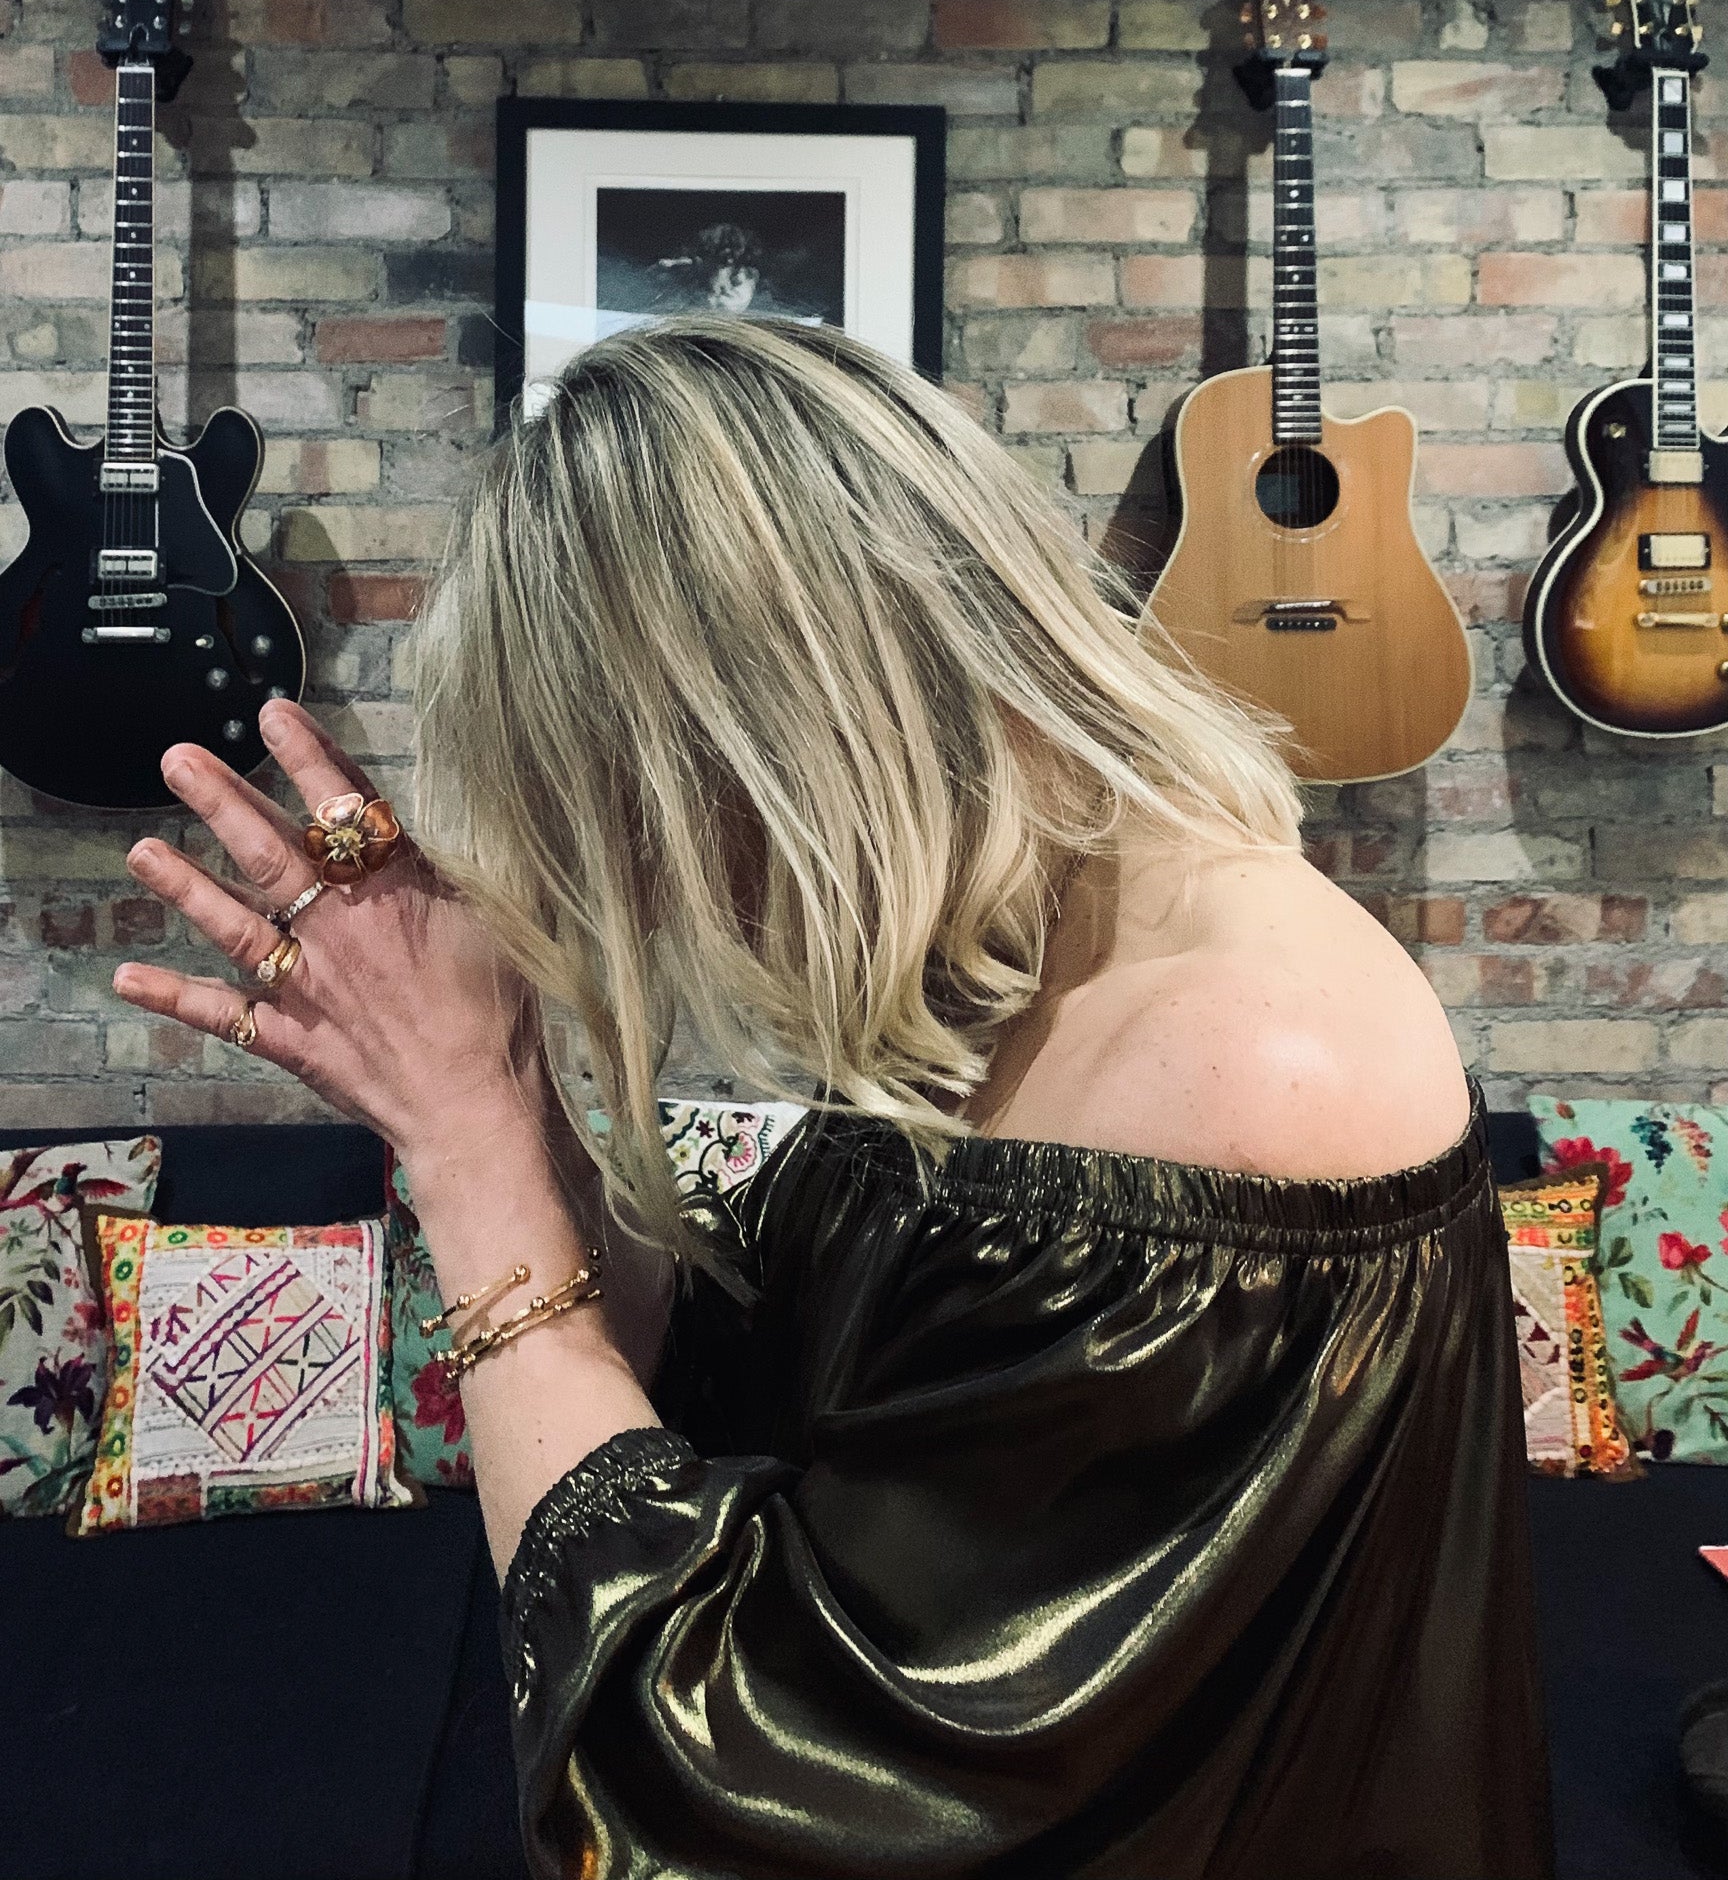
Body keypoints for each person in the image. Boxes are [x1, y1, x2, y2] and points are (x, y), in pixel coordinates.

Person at [113, 317, 1552, 1880]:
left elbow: (740, 1792)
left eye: (618, 819)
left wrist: (468, 1147)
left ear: (751, 730)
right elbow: (741, 1374)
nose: (635, 896)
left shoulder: (1230, 1062)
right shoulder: (1018, 949)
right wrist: (501, 1088)